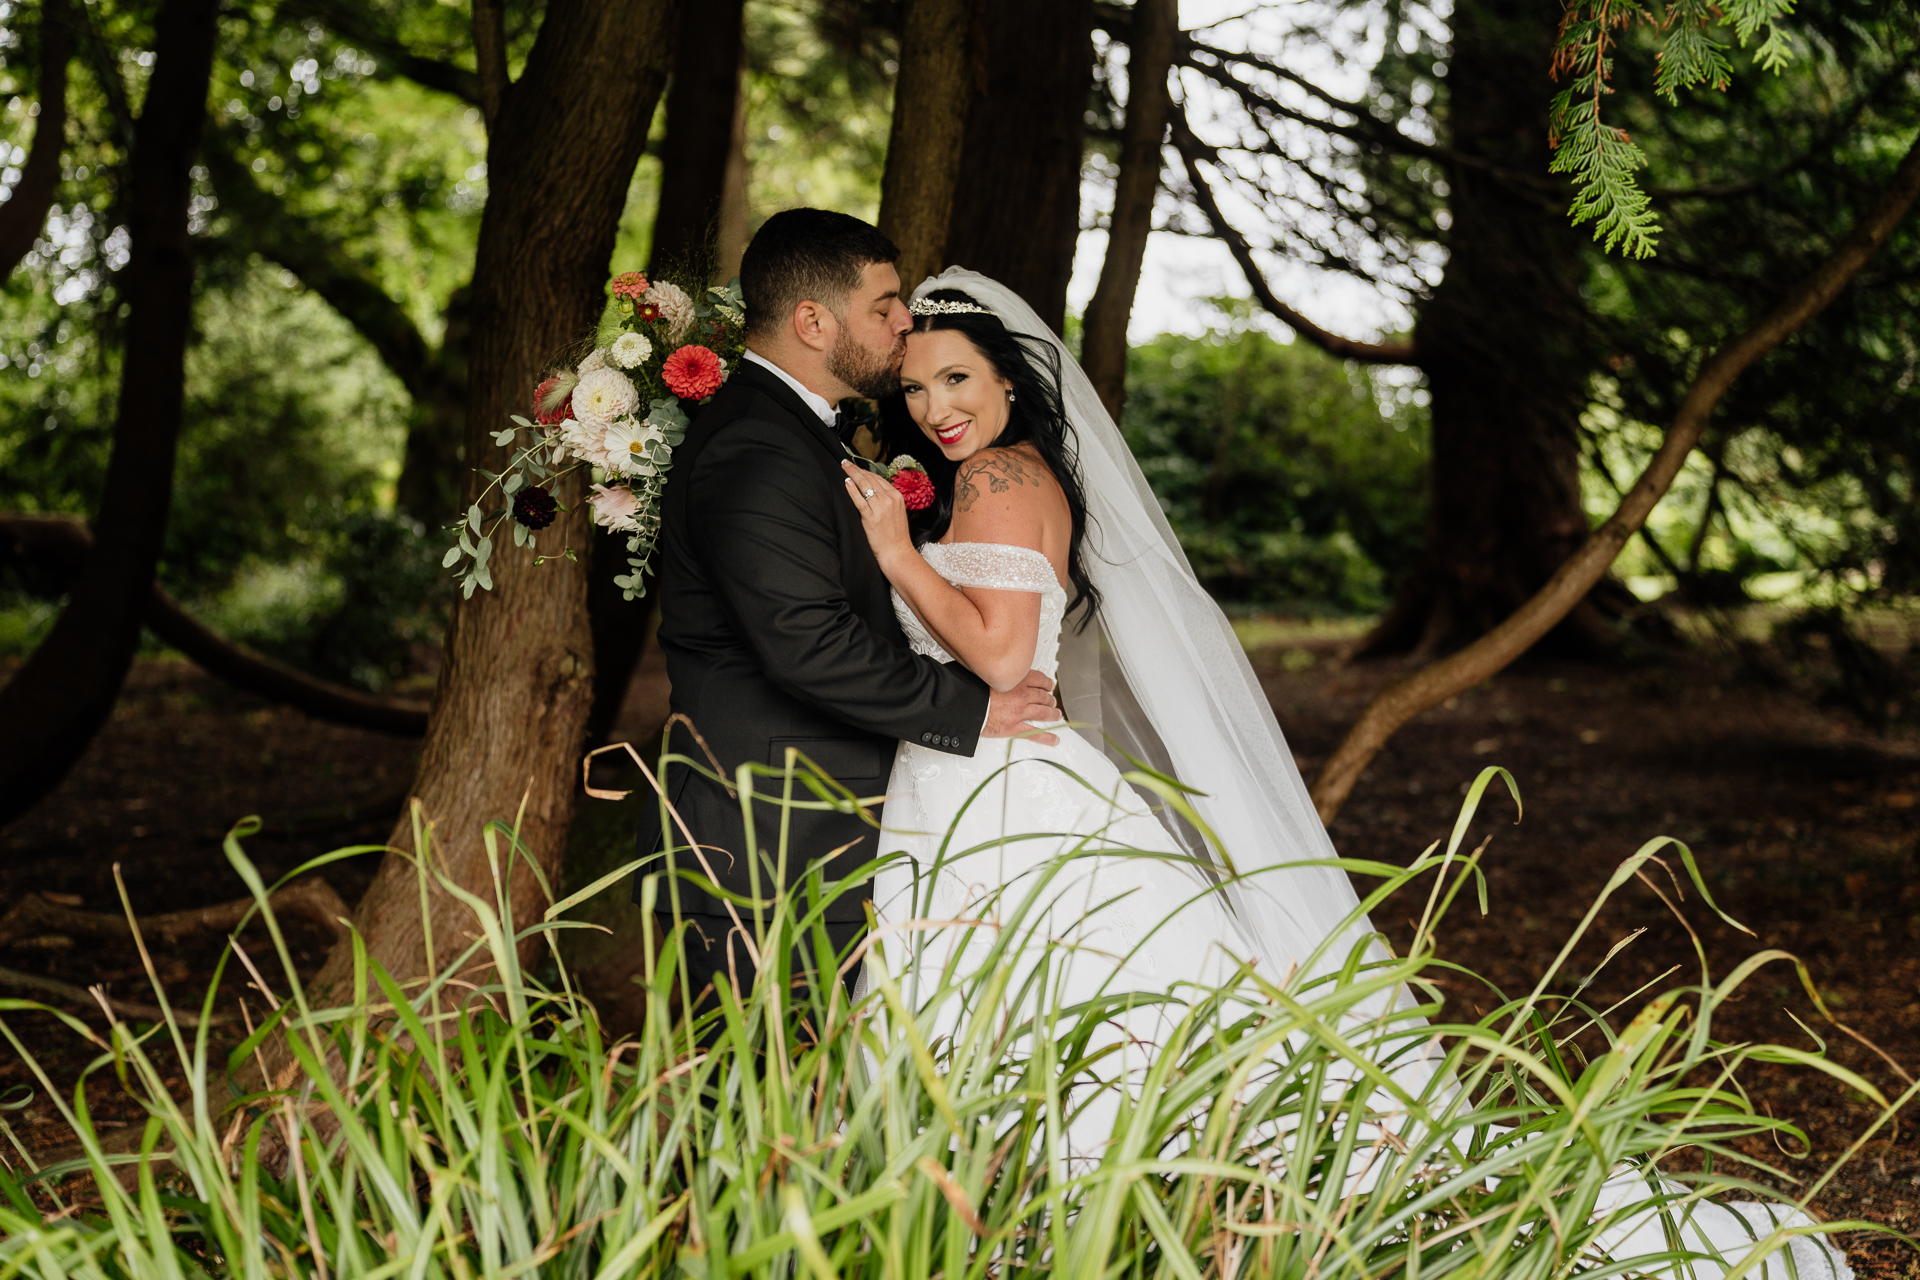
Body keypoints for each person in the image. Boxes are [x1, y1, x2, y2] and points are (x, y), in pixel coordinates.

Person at [839, 268, 1852, 1280]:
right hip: (979, 775)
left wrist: (895, 550)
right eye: (917, 390)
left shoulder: (999, 480)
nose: (939, 409)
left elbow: (1009, 658)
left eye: (959, 378)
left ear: (1011, 377)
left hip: (1007, 785)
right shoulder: (1006, 476)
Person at [637, 213, 1059, 1011]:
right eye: (885, 305)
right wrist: (977, 710)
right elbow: (807, 644)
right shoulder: (755, 446)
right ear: (813, 321)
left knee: (820, 1100)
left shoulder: (800, 435)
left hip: (812, 830)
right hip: (765, 843)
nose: (906, 322)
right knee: (759, 1102)